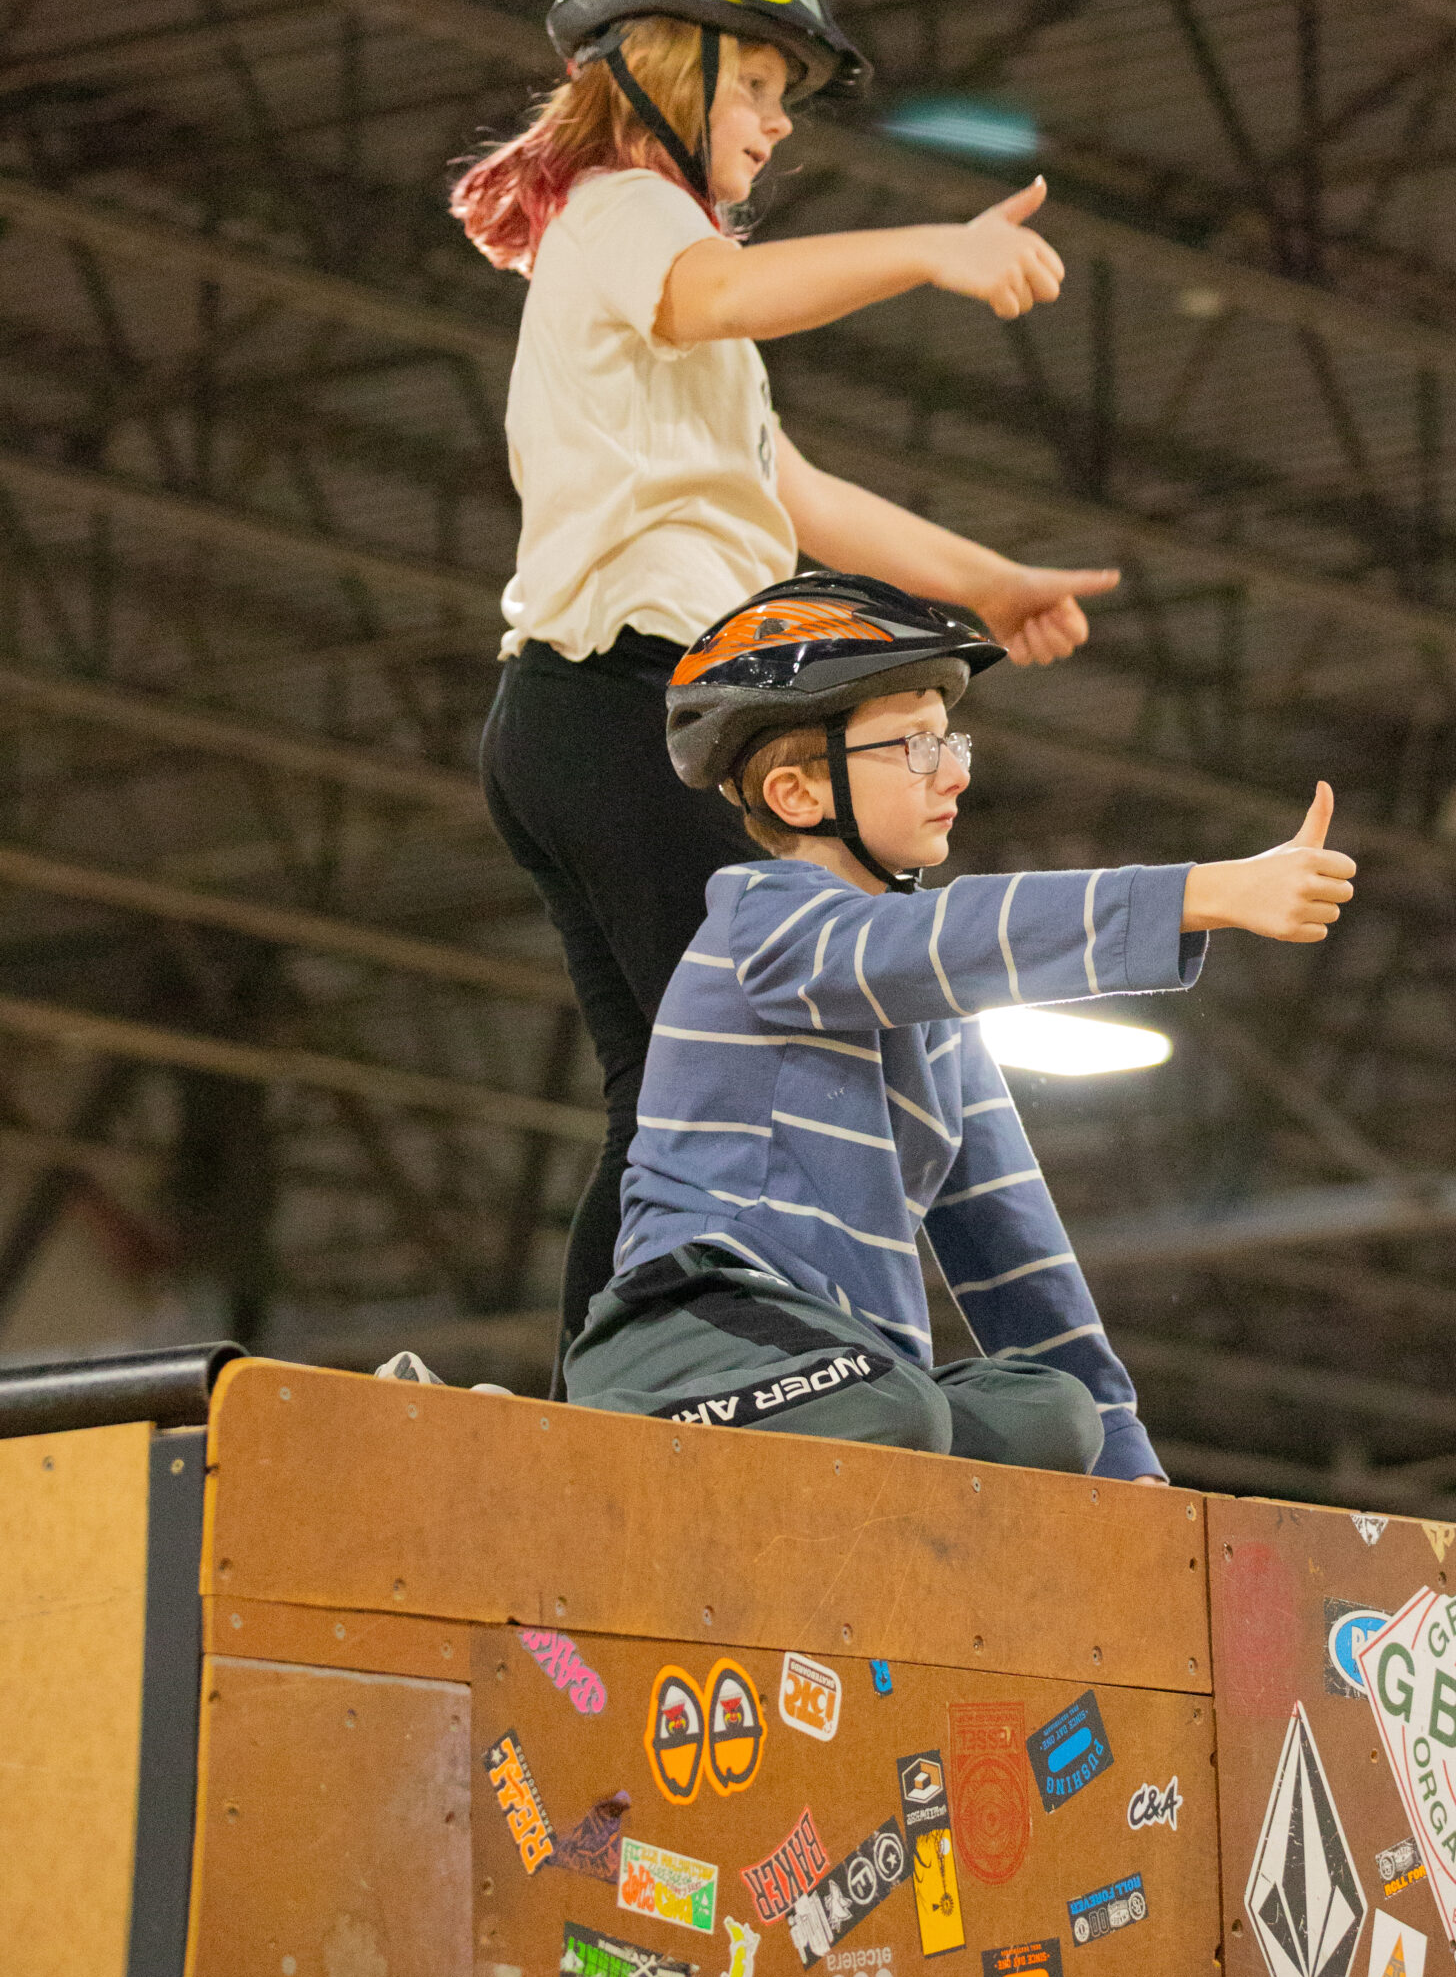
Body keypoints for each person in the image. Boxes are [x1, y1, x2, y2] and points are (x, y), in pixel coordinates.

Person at [449, 0, 1121, 1368]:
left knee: (663, 1096)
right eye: (752, 89)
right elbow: (727, 286)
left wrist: (987, 584)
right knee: (747, 1060)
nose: (769, 126)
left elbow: (795, 494)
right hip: (623, 701)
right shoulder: (632, 212)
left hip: (578, 718)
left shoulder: (666, 298)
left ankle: (611, 1393)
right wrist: (932, 249)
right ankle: (670, 1376)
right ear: (658, 72)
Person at [562, 573, 1358, 1480]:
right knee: (896, 1407)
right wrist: (1202, 894)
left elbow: (1024, 1266)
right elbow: (945, 938)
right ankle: (589, 1435)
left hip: (855, 1379)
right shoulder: (763, 924)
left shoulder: (936, 1020)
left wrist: (1139, 1485)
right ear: (794, 794)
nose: (956, 772)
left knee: (1057, 1420)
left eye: (949, 739)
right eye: (913, 746)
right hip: (694, 1326)